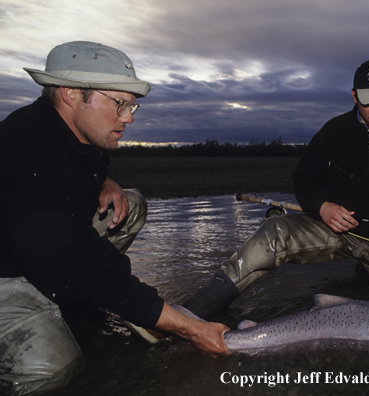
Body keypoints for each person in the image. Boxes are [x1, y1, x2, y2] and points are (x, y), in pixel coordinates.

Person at [0, 41, 229, 395]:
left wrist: (106, 182)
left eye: (131, 105)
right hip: (8, 275)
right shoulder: (25, 154)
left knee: (130, 203)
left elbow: (84, 169)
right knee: (57, 373)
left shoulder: (73, 131)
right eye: (119, 104)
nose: (129, 117)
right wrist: (189, 328)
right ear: (71, 94)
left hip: (45, 250)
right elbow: (84, 266)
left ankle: (71, 304)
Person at [180, 58, 369, 320]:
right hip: (332, 230)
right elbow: (304, 178)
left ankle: (367, 275)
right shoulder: (333, 132)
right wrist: (322, 206)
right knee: (273, 231)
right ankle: (195, 311)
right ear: (354, 96)